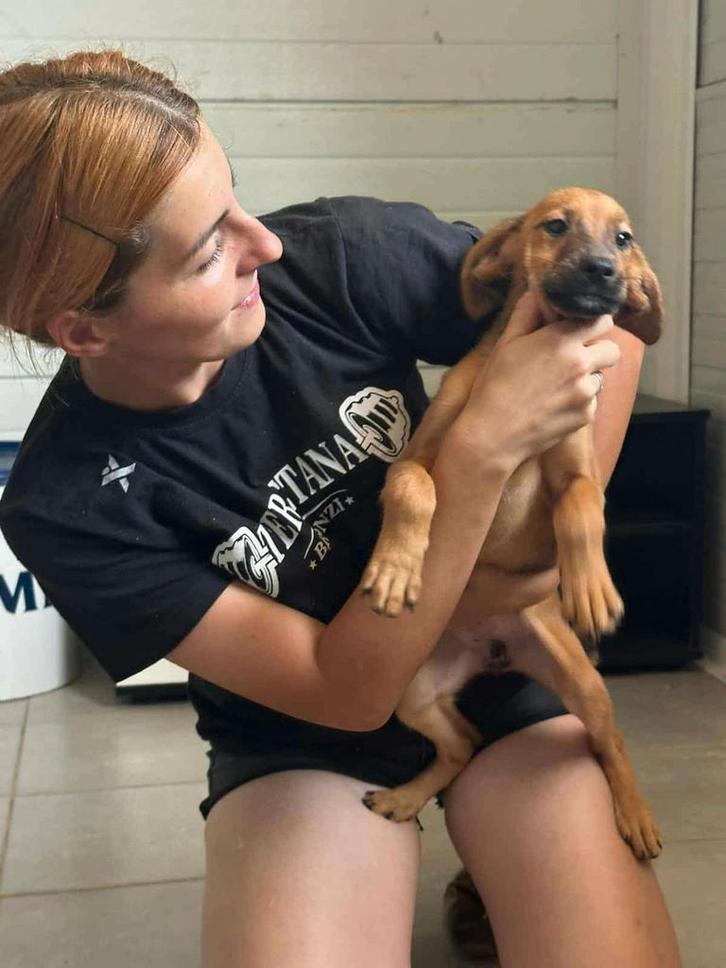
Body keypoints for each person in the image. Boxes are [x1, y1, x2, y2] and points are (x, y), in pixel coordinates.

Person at [0, 50, 680, 967]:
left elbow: (617, 339)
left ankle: (496, 860)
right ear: (83, 328)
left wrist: (546, 550)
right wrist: (477, 456)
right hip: (309, 728)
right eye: (211, 248)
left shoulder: (340, 257)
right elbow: (345, 692)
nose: (265, 244)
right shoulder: (67, 503)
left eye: (236, 195)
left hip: (504, 666)